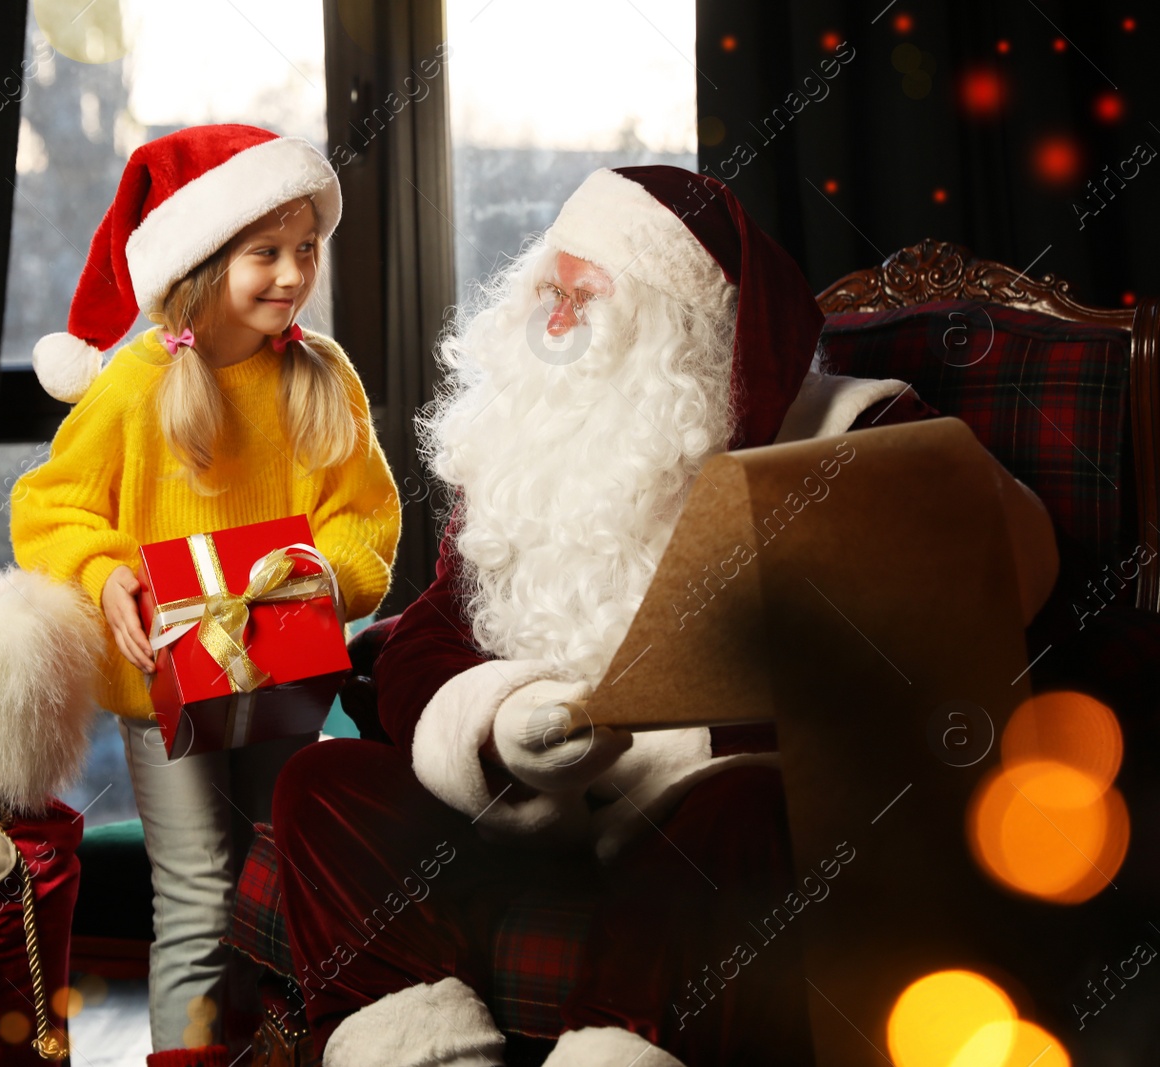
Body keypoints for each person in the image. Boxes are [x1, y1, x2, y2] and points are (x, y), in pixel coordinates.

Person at [269, 166, 1058, 1066]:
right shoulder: (525, 448)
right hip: (529, 806)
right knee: (323, 789)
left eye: (587, 298)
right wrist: (502, 721)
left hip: (696, 812)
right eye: (547, 291)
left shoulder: (846, 434)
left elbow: (990, 583)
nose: (554, 320)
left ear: (676, 327)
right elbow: (431, 636)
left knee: (743, 811)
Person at [11, 123, 402, 1067]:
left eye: (306, 249)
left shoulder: (322, 376)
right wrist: (105, 575)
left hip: (283, 671)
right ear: (198, 260)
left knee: (274, 878)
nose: (291, 274)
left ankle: (274, 1047)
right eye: (263, 252)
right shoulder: (138, 385)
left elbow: (367, 520)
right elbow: (49, 505)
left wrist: (323, 580)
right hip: (165, 683)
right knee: (196, 886)